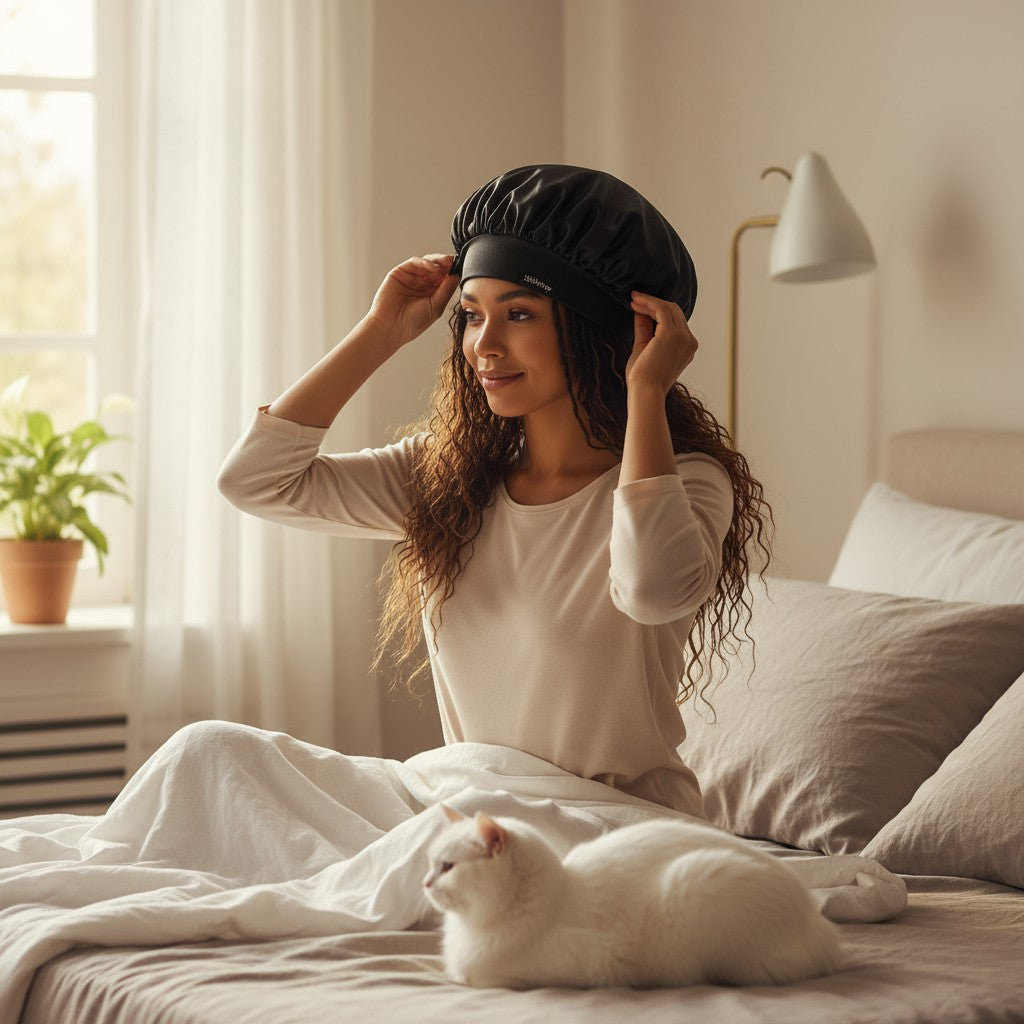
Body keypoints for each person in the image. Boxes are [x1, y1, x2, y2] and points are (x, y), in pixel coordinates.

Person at [217, 164, 772, 819]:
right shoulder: (448, 475)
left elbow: (652, 591)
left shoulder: (687, 482)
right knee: (212, 755)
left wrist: (644, 389)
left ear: (598, 330)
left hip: (609, 825)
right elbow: (255, 482)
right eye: (473, 315)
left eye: (519, 313)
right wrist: (382, 331)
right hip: (467, 810)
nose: (484, 344)